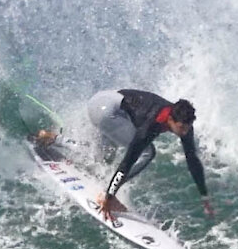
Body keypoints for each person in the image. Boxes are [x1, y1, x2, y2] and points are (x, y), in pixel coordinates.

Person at [86, 88, 214, 221]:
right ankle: (105, 194)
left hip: (101, 101)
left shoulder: (182, 119)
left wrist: (204, 196)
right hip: (106, 112)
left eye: (187, 128)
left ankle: (76, 151)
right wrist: (109, 197)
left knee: (107, 154)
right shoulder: (150, 125)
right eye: (181, 128)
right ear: (170, 119)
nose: (185, 132)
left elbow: (192, 160)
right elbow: (127, 162)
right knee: (147, 152)